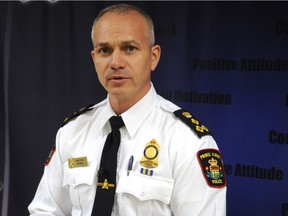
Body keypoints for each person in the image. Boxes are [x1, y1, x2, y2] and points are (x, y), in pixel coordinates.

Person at [28, 3, 226, 216]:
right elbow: (46, 210)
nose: (115, 62)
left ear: (153, 57)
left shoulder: (187, 142)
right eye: (105, 50)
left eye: (129, 48)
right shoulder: (72, 132)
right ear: (94, 59)